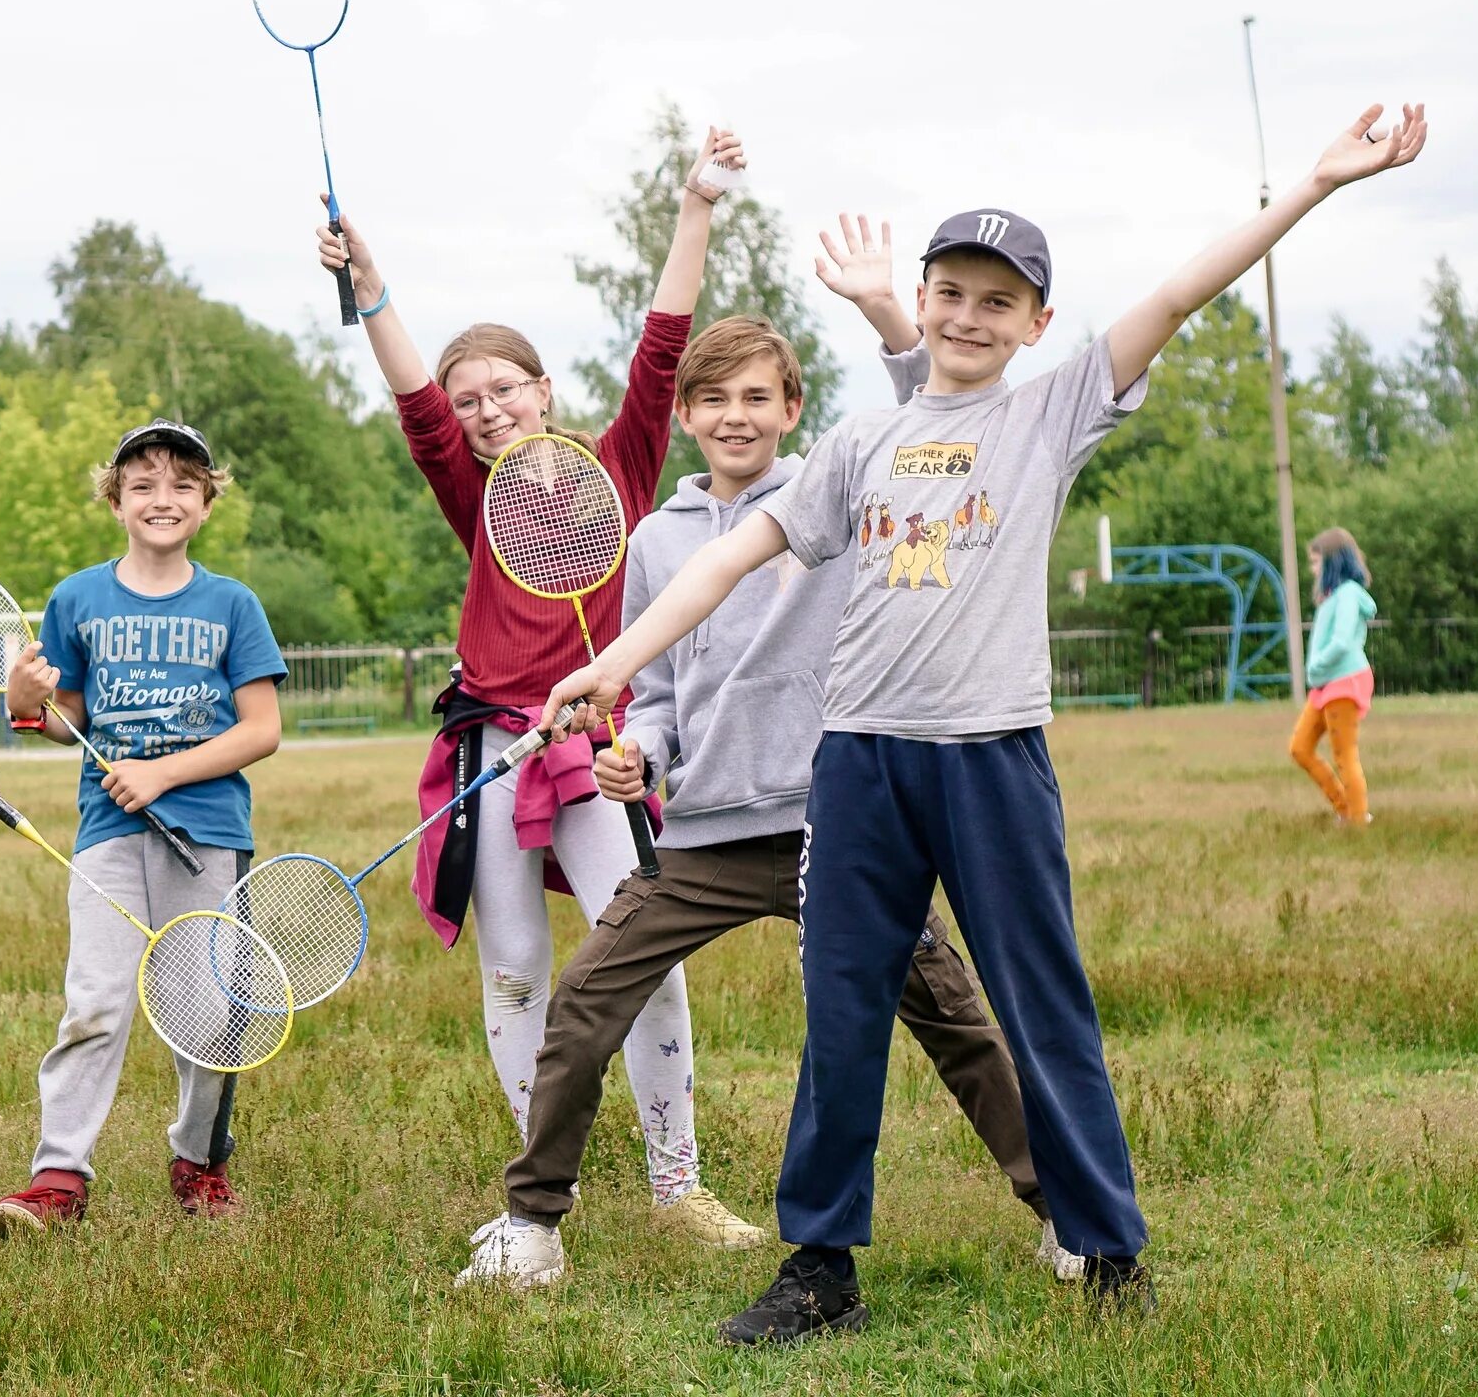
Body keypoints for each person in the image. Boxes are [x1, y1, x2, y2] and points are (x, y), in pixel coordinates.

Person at [547, 103, 1428, 1342]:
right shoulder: (862, 439)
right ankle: (820, 1270)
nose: (968, 316)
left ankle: (1107, 1249)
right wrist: (612, 664)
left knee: (1038, 1003)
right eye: (949, 292)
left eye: (997, 301)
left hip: (991, 762)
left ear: (1037, 326)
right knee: (841, 1011)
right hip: (857, 766)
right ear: (925, 295)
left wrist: (1319, 185)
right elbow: (724, 562)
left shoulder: (1047, 412)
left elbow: (1178, 293)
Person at [458, 307, 1079, 1292]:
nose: (734, 417)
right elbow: (655, 695)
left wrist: (885, 309)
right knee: (585, 1000)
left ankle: (1063, 1214)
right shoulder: (656, 540)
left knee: (951, 1016)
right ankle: (531, 1224)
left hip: (835, 824)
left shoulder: (839, 492)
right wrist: (642, 760)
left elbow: (929, 425)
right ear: (688, 414)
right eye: (712, 400)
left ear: (792, 409)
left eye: (756, 397)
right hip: (702, 837)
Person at [313, 129, 765, 1247]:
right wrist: (372, 295)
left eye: (501, 387)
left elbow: (663, 342)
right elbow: (413, 398)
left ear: (542, 388)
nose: (481, 408)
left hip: (595, 747)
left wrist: (695, 206)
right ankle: (535, 1196)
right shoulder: (473, 492)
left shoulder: (619, 464)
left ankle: (678, 1189)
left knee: (641, 960)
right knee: (515, 974)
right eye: (469, 399)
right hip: (489, 748)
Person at [0, 420, 286, 1235]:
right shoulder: (78, 599)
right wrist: (23, 701)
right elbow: (59, 715)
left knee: (206, 1010)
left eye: (182, 483)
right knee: (95, 1001)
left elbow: (261, 729)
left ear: (208, 502)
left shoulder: (231, 604)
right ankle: (59, 1177)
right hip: (108, 832)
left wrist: (164, 773)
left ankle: (197, 1161)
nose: (162, 498)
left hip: (208, 830)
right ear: (116, 501)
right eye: (142, 484)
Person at [1291, 527, 1377, 825]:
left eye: (1317, 562)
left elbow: (1341, 642)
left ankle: (1356, 821)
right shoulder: (1333, 596)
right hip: (1326, 683)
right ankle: (1346, 808)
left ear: (1334, 562)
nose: (1313, 569)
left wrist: (1315, 668)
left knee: (1345, 756)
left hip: (1344, 681)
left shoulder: (1349, 596)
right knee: (1300, 748)